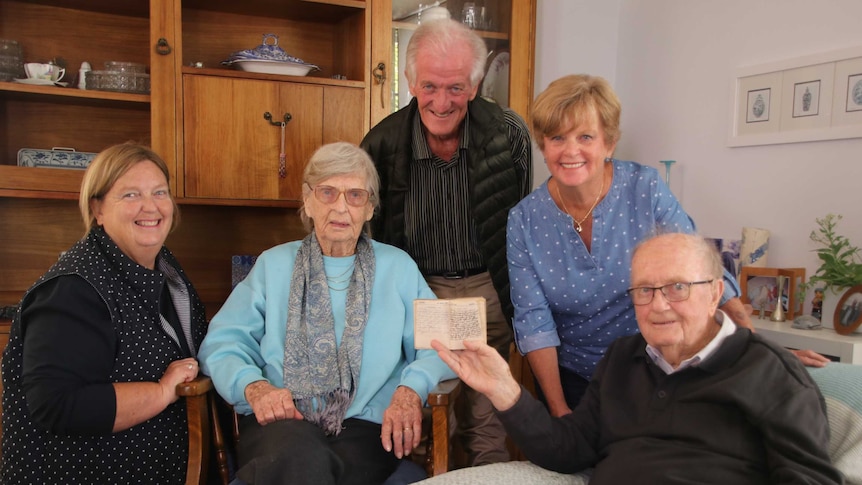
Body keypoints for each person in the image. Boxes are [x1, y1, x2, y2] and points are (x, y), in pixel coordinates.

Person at [507, 74, 829, 418]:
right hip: (572, 379)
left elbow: (702, 273)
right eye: (557, 137)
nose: (571, 150)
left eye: (585, 136)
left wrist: (763, 353)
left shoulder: (644, 189)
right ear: (543, 145)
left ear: (609, 143)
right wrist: (559, 413)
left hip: (656, 367)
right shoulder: (524, 220)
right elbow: (534, 324)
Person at [432, 233, 842, 484]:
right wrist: (504, 389)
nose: (659, 305)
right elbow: (569, 449)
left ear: (716, 292)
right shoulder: (623, 359)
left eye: (677, 287)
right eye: (644, 290)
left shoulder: (771, 371)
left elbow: (810, 478)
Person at [198, 142, 456, 485]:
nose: (340, 207)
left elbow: (441, 343)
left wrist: (411, 390)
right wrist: (254, 387)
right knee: (298, 456)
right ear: (307, 200)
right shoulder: (272, 265)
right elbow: (221, 343)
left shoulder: (398, 268)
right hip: (281, 421)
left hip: (365, 428)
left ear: (370, 208)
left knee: (310, 465)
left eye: (355, 196)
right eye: (327, 192)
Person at [360, 18, 532, 466]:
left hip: (487, 290)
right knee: (425, 422)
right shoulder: (380, 144)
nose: (441, 101)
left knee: (487, 426)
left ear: (475, 85)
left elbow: (522, 225)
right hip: (419, 296)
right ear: (410, 82)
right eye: (430, 86)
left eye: (456, 88)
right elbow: (371, 240)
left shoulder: (508, 133)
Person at [1, 143, 207, 484]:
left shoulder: (165, 269)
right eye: (130, 195)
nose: (150, 206)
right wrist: (160, 391)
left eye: (160, 192)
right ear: (97, 208)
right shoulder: (73, 288)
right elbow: (57, 403)